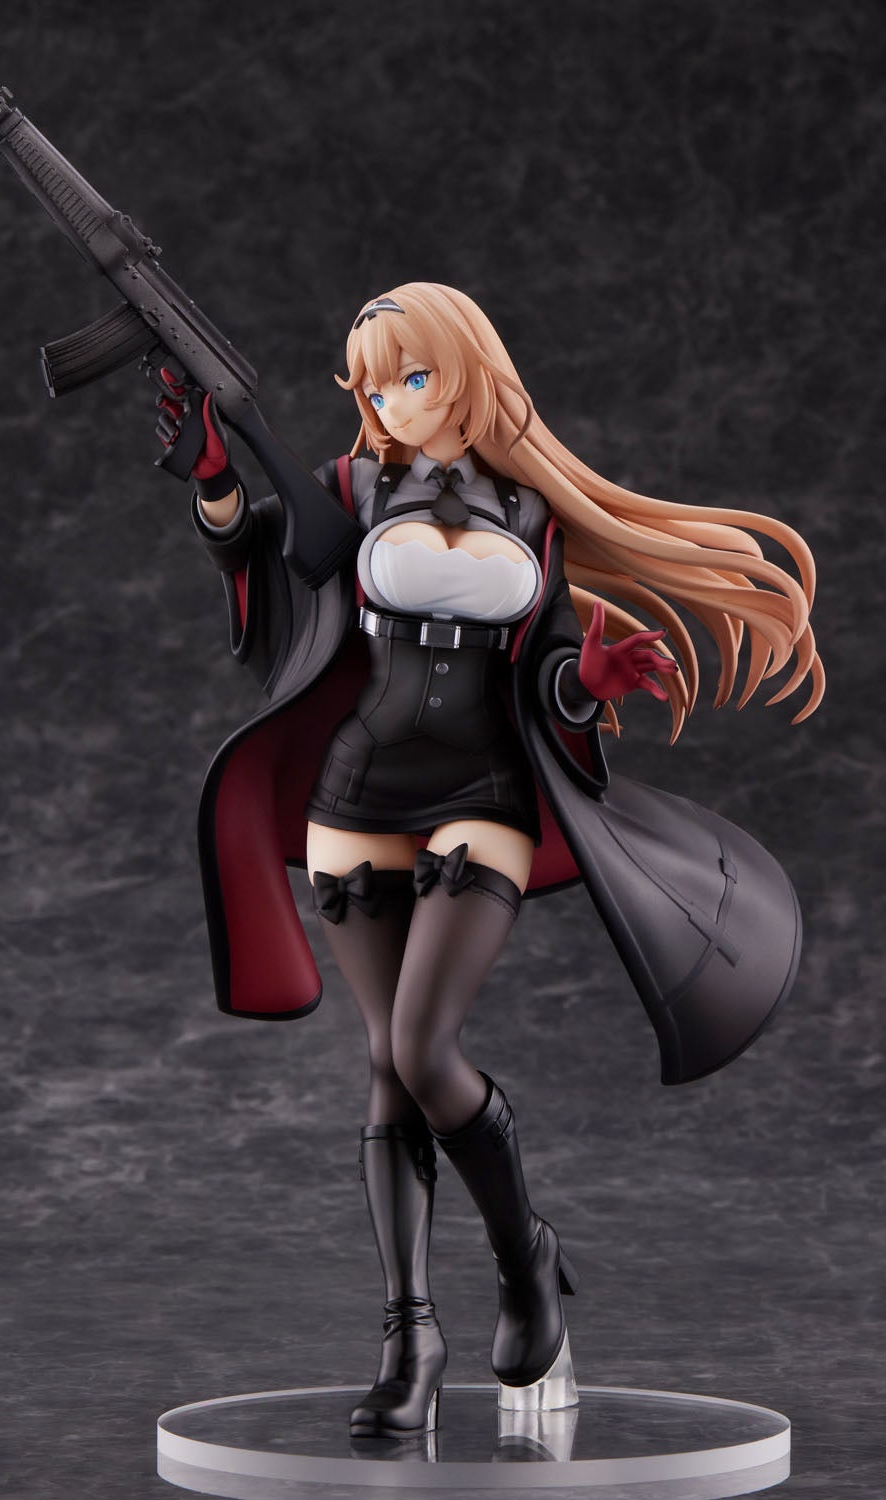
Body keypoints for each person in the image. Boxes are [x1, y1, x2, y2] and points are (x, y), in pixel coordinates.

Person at [151, 282, 823, 1439]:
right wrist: (215, 481)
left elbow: (549, 665)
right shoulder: (349, 490)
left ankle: (524, 1258)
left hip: (484, 789)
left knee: (424, 1048)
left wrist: (588, 682)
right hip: (359, 785)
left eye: (409, 377)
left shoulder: (534, 515)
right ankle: (409, 1340)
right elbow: (265, 584)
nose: (388, 403)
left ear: (464, 373)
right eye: (370, 385)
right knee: (386, 1065)